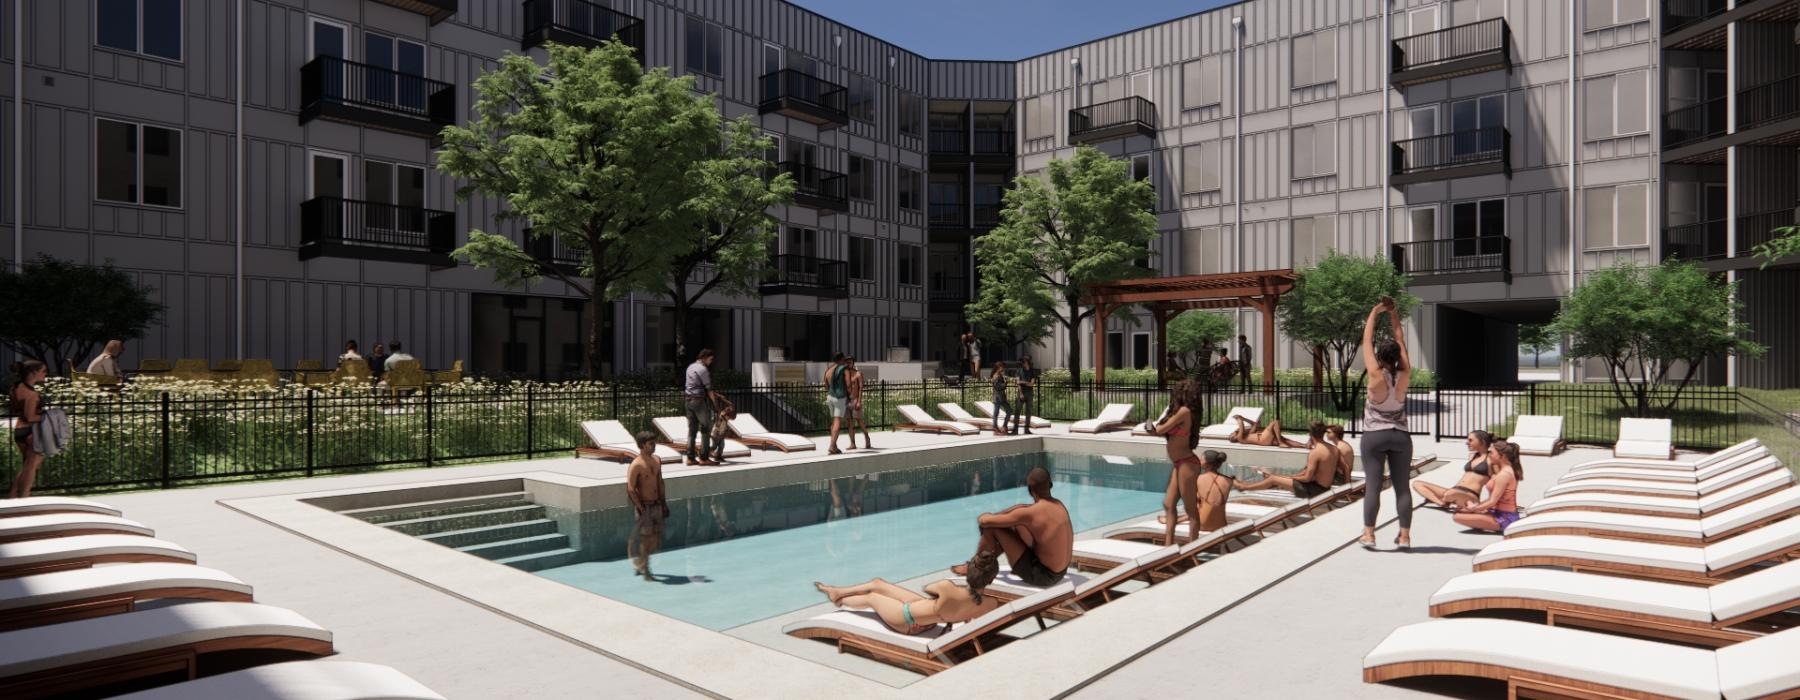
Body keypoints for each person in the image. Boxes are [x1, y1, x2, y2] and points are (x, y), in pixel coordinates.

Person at [815, 550, 1001, 635]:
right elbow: (966, 610)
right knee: (878, 583)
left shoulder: (948, 588)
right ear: (990, 579)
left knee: (872, 597)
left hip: (908, 620)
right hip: (929, 618)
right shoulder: (990, 603)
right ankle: (837, 591)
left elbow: (929, 588)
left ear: (969, 571)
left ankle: (841, 601)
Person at [951, 466, 1072, 587]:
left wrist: (988, 516)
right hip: (1060, 572)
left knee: (992, 528)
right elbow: (1022, 509)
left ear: (1030, 490)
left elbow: (984, 521)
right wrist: (998, 515)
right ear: (1050, 485)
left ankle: (975, 568)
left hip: (1042, 576)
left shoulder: (1030, 514)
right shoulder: (1058, 505)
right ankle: (982, 563)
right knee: (1015, 526)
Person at [1359, 295, 1414, 549]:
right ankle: (1404, 536)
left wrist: (1376, 310)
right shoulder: (1405, 373)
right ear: (1397, 356)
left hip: (1374, 436)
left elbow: (1366, 340)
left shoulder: (1374, 374)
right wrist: (1394, 314)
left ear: (1380, 356)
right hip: (1400, 436)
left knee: (1373, 486)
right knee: (1402, 488)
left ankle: (1369, 534)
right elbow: (1400, 339)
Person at [1146, 382, 1211, 544]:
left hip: (1187, 463)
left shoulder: (1184, 411)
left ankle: (1193, 547)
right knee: (1168, 504)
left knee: (1190, 510)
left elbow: (1161, 430)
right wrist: (1151, 428)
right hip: (1179, 463)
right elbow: (1160, 432)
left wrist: (1157, 427)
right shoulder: (1180, 412)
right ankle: (1168, 545)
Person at [1234, 422, 1336, 498]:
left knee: (1273, 479)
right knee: (1280, 478)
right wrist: (1289, 477)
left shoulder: (1316, 452)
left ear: (1310, 434)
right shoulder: (1333, 449)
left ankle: (1244, 487)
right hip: (1325, 488)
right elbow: (1315, 473)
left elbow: (1307, 478)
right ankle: (1249, 485)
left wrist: (1292, 477)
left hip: (1314, 491)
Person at [1155, 449, 1235, 534]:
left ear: (1207, 464)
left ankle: (1173, 520)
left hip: (1202, 525)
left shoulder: (1198, 479)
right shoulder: (1228, 481)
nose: (1198, 461)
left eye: (1201, 459)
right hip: (1220, 525)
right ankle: (1175, 519)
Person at [1453, 440, 1523, 533]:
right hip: (1496, 512)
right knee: (1465, 506)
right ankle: (1481, 519)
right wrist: (1477, 507)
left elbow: (1493, 501)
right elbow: (1494, 499)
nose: (1489, 455)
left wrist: (1474, 508)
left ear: (1502, 456)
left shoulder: (1504, 475)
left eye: (1492, 453)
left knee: (1457, 517)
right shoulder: (1503, 470)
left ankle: (1492, 524)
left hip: (1504, 518)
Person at [1414, 431, 1495, 511]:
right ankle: (1441, 503)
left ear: (1482, 442)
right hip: (1454, 490)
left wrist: (1487, 504)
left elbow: (1498, 483)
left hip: (1470, 495)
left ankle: (1445, 499)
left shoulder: (1491, 460)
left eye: (1470, 440)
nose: (1467, 443)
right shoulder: (1473, 456)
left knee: (1449, 494)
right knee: (1417, 483)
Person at [625, 431, 669, 580]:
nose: (654, 446)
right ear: (642, 446)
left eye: (654, 443)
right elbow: (631, 489)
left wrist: (664, 503)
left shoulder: (657, 460)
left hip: (657, 505)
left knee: (656, 539)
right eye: (651, 444)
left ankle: (640, 562)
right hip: (645, 507)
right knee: (646, 538)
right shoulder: (636, 465)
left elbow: (660, 483)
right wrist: (640, 508)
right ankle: (646, 570)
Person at [9, 360, 48, 498]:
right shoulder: (32, 394)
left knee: (27, 466)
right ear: (33, 373)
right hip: (31, 432)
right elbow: (31, 417)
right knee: (31, 468)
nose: (45, 374)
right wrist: (47, 416)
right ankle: (24, 498)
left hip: (19, 431)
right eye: (43, 371)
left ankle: (13, 496)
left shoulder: (16, 387)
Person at [684, 349, 719, 466]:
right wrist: (715, 404)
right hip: (699, 401)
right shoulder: (703, 369)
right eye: (711, 359)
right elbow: (709, 389)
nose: (711, 361)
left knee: (692, 430)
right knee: (705, 428)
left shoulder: (690, 367)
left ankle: (690, 458)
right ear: (705, 357)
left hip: (688, 401)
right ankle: (704, 458)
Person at [1226, 414, 1306, 448]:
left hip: (1265, 439)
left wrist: (1243, 418)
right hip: (1263, 439)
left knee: (1286, 440)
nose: (1233, 432)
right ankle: (1280, 442)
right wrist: (1239, 419)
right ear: (1234, 438)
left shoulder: (1247, 436)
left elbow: (1254, 424)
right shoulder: (1240, 439)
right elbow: (1241, 426)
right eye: (1232, 434)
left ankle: (1304, 446)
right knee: (1275, 422)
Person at [845, 356, 873, 450]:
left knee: (859, 420)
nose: (848, 363)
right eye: (847, 362)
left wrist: (859, 402)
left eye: (850, 362)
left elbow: (861, 388)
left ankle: (866, 436)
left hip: (856, 400)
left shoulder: (858, 374)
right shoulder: (844, 375)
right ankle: (853, 443)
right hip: (847, 401)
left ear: (853, 362)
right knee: (849, 423)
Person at [824, 353, 849, 454]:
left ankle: (834, 446)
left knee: (834, 422)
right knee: (838, 421)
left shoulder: (828, 370)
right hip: (839, 398)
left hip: (830, 397)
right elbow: (848, 384)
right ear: (842, 359)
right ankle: (831, 446)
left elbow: (825, 385)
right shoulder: (843, 368)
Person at [989, 361, 1017, 436]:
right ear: (998, 368)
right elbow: (998, 387)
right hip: (998, 397)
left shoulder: (999, 375)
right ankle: (995, 428)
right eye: (1002, 367)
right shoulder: (996, 376)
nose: (1003, 368)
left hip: (1001, 397)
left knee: (1008, 411)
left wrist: (1007, 380)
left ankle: (1004, 426)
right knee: (996, 413)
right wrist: (1005, 383)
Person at [707, 392, 736, 463]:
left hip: (721, 434)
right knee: (714, 446)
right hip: (716, 434)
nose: (730, 419)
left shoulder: (725, 418)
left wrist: (723, 399)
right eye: (730, 418)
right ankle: (704, 454)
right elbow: (717, 427)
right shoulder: (721, 418)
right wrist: (718, 434)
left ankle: (718, 457)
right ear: (727, 415)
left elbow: (732, 405)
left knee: (721, 446)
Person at [1015, 356, 1039, 435]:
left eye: (1024, 362)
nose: (1023, 364)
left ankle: (1027, 429)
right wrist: (1021, 393)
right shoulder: (1019, 371)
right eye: (1022, 362)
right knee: (1017, 411)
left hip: (1029, 393)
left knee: (1028, 412)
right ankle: (1015, 429)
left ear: (1027, 362)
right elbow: (1018, 383)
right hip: (1021, 393)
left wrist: (1023, 382)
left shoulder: (1032, 372)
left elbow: (1032, 384)